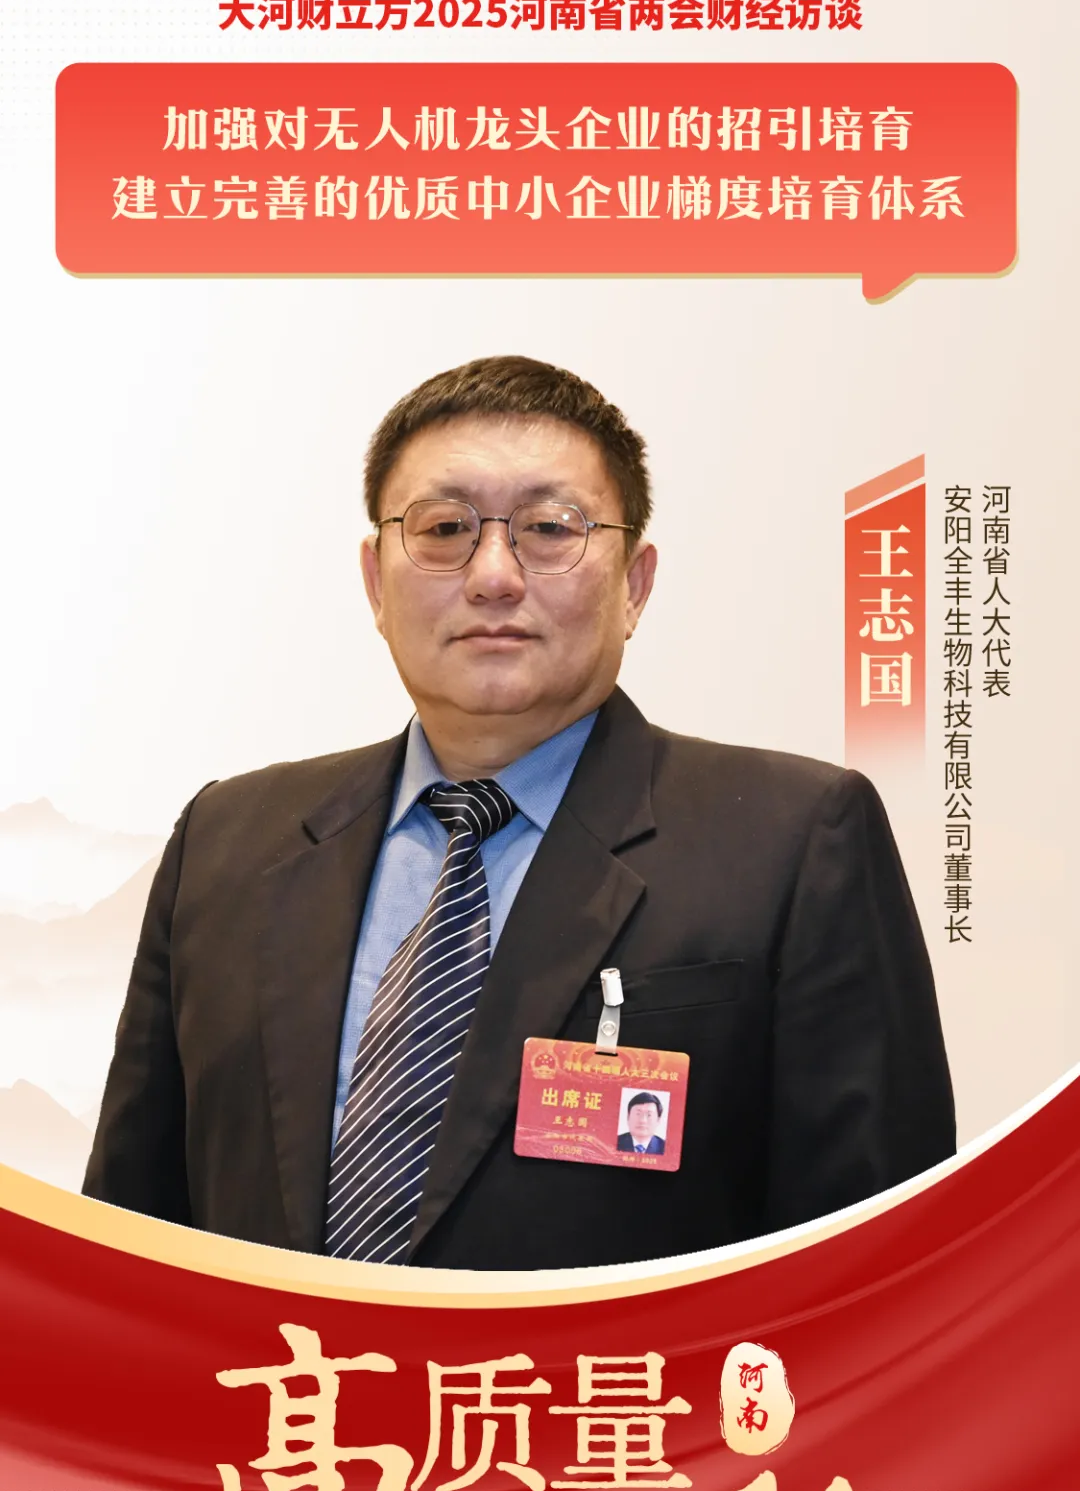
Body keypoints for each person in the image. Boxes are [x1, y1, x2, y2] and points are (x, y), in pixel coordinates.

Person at [83, 353, 955, 1271]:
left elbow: (881, 1271)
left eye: (549, 528)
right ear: (376, 582)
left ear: (635, 584)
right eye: (444, 528)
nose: (494, 575)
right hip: (287, 1372)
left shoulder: (793, 841)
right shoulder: (227, 843)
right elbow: (128, 1254)